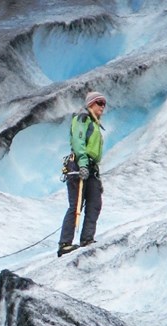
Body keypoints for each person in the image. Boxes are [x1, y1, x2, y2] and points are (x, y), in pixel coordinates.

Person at [58, 91, 106, 257]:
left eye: (103, 104)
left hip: (91, 168)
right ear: (90, 104)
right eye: (99, 102)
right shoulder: (82, 119)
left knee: (95, 203)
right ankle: (65, 243)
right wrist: (84, 163)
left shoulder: (94, 123)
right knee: (76, 205)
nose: (102, 106)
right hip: (79, 165)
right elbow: (79, 142)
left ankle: (87, 238)